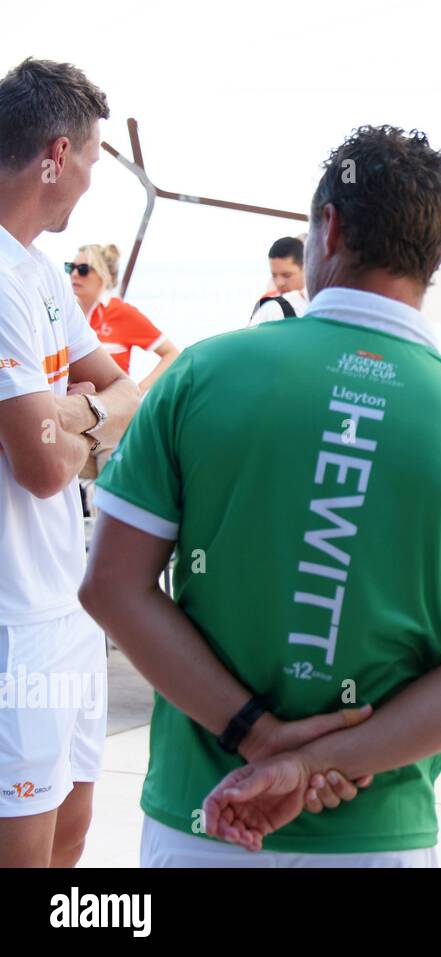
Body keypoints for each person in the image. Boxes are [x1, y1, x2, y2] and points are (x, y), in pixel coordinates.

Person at [79, 125, 441, 866]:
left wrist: (260, 738)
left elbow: (112, 586)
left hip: (203, 813)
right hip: (377, 832)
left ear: (327, 227)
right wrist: (318, 762)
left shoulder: (201, 375)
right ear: (435, 255)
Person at [0, 57, 141, 867]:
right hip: (15, 623)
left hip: (67, 609)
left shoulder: (44, 271)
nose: (91, 178)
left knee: (73, 837)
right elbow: (45, 468)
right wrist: (82, 424)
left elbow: (126, 392)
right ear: (57, 155)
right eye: (90, 158)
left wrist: (71, 413)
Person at [68, 243, 179, 390]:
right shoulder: (67, 313)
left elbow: (171, 354)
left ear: (103, 274)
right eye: (70, 267)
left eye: (83, 269)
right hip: (75, 406)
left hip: (113, 408)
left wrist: (139, 391)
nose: (74, 274)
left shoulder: (121, 312)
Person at [248, 235, 309, 325]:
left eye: (287, 275)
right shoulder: (267, 308)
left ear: (305, 268)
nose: (279, 283)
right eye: (274, 275)